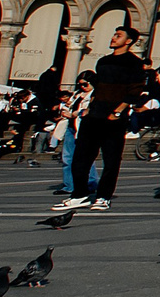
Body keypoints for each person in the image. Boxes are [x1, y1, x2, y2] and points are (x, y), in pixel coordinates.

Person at [56, 27, 149, 211]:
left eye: (118, 36)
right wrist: (89, 109)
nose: (113, 38)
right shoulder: (103, 61)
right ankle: (80, 194)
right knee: (81, 157)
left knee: (111, 159)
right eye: (114, 34)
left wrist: (117, 112)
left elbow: (135, 91)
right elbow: (97, 89)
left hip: (114, 117)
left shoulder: (134, 63)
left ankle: (103, 197)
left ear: (129, 41)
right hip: (94, 115)